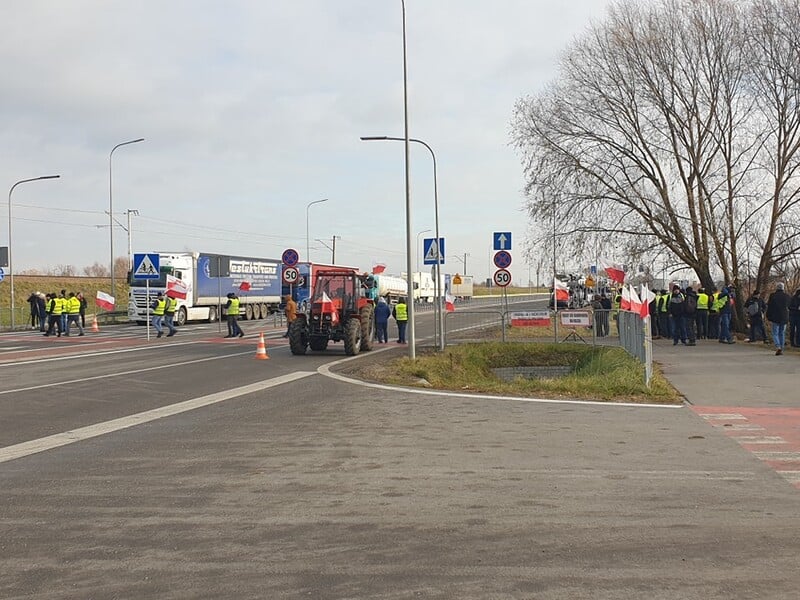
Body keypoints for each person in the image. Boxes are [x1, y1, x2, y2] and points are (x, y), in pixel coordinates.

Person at [766, 282, 790, 356]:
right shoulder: (787, 296)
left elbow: (769, 306)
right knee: (782, 333)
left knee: (775, 332)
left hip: (775, 316)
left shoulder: (773, 296)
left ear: (777, 288)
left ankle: (778, 346)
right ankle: (781, 348)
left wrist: (768, 315)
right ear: (783, 288)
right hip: (784, 317)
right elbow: (789, 306)